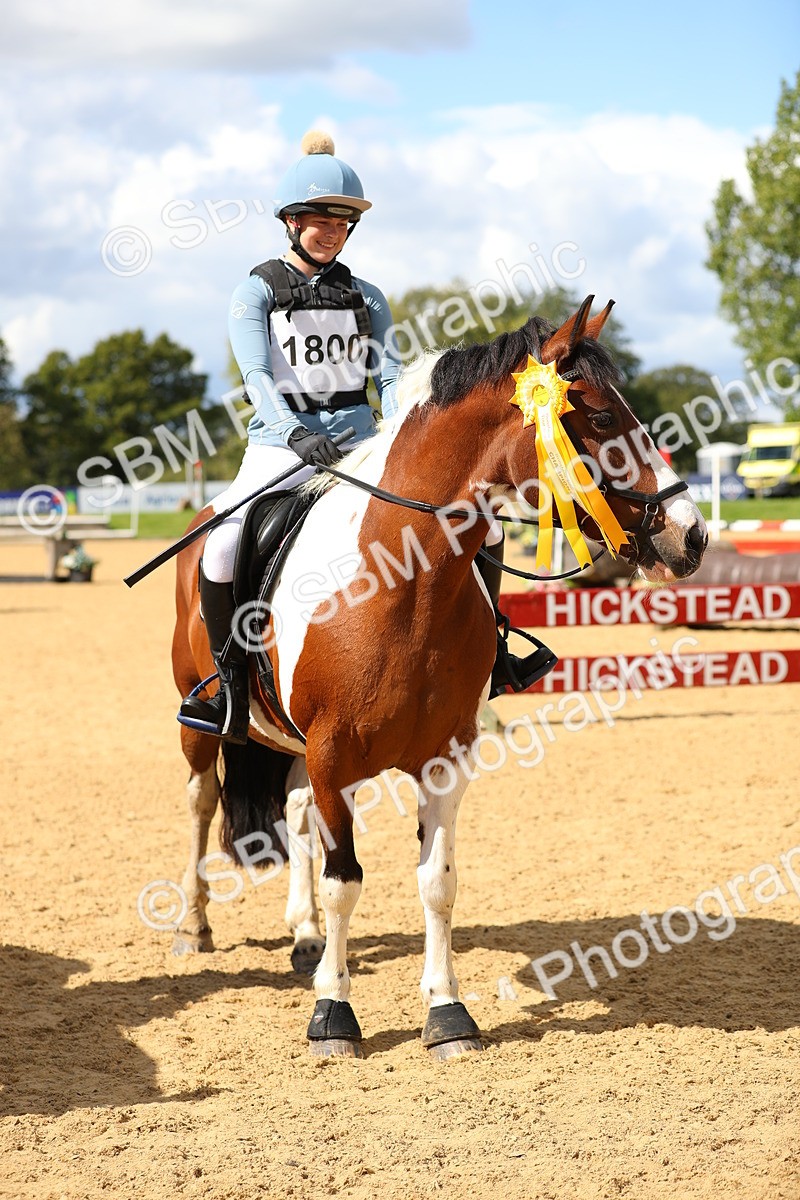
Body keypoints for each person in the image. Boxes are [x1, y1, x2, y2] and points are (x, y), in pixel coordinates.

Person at [179, 132, 556, 743]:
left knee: (479, 525)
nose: (331, 230)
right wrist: (294, 433)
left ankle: (496, 657)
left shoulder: (367, 296)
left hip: (358, 440)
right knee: (221, 545)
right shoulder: (256, 292)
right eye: (319, 218)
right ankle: (228, 684)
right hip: (282, 444)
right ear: (290, 221)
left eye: (342, 220)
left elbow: (386, 373)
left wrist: (393, 434)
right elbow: (256, 377)